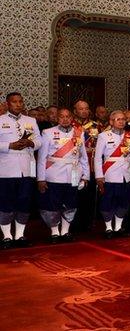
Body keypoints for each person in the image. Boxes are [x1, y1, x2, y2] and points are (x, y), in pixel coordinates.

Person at [37, 108, 90, 243]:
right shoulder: (48, 133)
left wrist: (86, 176)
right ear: (57, 118)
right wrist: (41, 178)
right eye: (62, 116)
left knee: (70, 203)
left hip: (73, 174)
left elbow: (83, 157)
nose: (65, 119)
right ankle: (54, 232)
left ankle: (65, 231)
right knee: (52, 204)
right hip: (54, 174)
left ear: (71, 117)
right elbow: (42, 158)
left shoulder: (79, 132)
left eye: (68, 116)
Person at [0, 93, 40, 248]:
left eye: (20, 101)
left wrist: (31, 143)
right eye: (14, 102)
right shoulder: (1, 120)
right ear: (8, 104)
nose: (18, 104)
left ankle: (20, 235)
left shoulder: (30, 120)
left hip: (26, 168)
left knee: (24, 201)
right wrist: (9, 146)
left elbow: (39, 141)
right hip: (6, 169)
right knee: (6, 202)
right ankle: (6, 236)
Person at [94, 111, 130, 239]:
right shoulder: (103, 136)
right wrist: (99, 176)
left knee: (123, 201)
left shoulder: (129, 136)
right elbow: (97, 158)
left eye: (123, 119)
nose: (121, 121)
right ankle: (108, 228)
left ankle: (118, 227)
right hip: (110, 174)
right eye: (118, 119)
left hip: (125, 175)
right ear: (111, 121)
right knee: (108, 202)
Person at [72, 99, 100, 233]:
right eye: (81, 108)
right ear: (75, 111)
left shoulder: (96, 126)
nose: (84, 111)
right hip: (74, 166)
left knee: (89, 196)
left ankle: (88, 222)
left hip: (91, 165)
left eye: (86, 108)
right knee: (75, 195)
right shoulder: (70, 125)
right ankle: (72, 223)